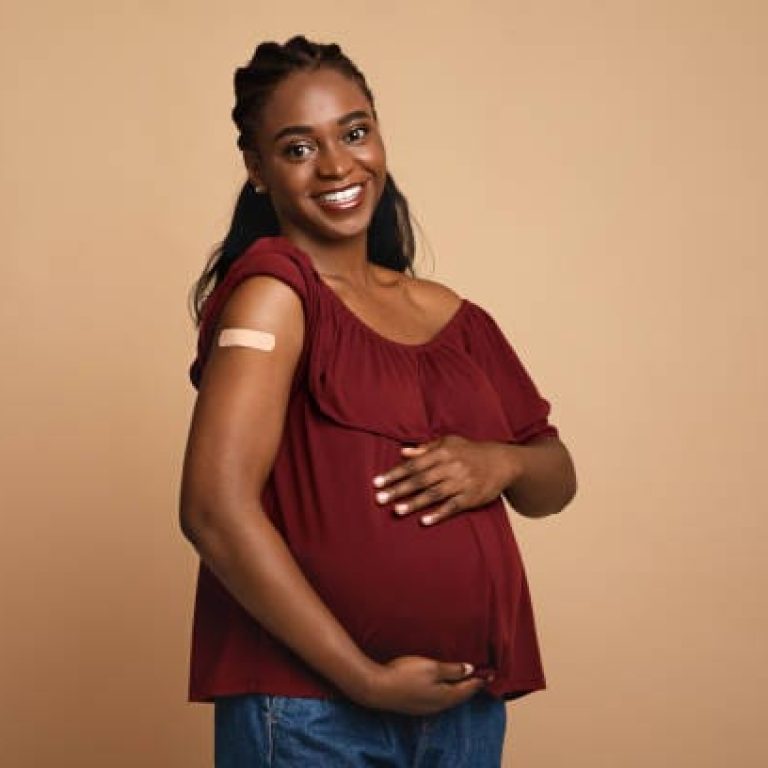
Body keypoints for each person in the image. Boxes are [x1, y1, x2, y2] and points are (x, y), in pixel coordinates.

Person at [179, 35, 577, 767]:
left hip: (463, 709)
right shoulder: (274, 296)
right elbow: (213, 511)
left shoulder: (454, 315)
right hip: (312, 713)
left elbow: (555, 480)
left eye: (354, 132)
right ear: (258, 169)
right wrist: (364, 678)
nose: (337, 166)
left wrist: (502, 462)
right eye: (299, 148)